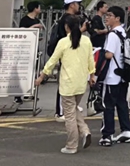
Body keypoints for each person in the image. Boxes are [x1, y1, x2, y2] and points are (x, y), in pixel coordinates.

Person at [35, 15, 95, 154]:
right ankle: (85, 131)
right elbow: (90, 60)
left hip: (68, 84)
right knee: (73, 109)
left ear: (66, 27)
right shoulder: (86, 40)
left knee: (69, 116)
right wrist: (92, 75)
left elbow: (52, 61)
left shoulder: (63, 42)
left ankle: (72, 145)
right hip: (81, 83)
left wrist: (42, 76)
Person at [99, 6, 130, 147]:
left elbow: (109, 54)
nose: (106, 17)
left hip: (112, 76)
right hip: (123, 75)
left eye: (110, 15)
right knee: (121, 104)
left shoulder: (112, 35)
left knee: (108, 106)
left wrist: (98, 52)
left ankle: (107, 135)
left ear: (117, 18)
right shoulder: (123, 32)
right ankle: (126, 131)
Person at [49, 0, 86, 121]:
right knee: (64, 82)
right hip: (65, 54)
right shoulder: (67, 19)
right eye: (77, 3)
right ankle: (60, 111)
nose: (79, 6)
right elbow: (69, 37)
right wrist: (82, 30)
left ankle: (70, 106)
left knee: (71, 80)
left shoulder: (69, 18)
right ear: (71, 5)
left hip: (70, 54)